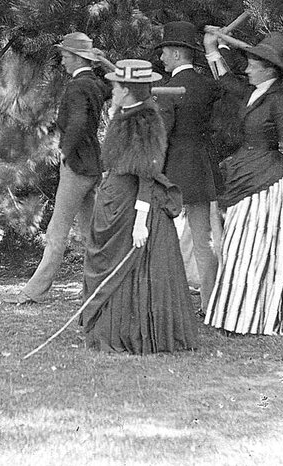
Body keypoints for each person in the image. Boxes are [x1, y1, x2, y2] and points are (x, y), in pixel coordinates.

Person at [201, 29, 283, 335]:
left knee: (254, 244)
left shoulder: (278, 100)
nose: (247, 67)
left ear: (268, 69)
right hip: (247, 173)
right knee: (240, 242)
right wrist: (211, 49)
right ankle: (238, 313)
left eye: (253, 63)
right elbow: (226, 82)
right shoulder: (255, 92)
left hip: (266, 182)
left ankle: (255, 316)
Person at [82, 59, 198, 353]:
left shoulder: (147, 120)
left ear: (127, 90)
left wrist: (140, 220)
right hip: (115, 198)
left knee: (132, 266)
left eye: (116, 86)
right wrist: (112, 113)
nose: (112, 89)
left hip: (133, 204)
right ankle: (109, 326)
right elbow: (115, 155)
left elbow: (147, 173)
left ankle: (133, 332)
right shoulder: (126, 113)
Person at [6, 33, 109, 304]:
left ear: (77, 58)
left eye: (65, 56)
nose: (63, 61)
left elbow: (76, 124)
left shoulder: (77, 87)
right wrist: (104, 63)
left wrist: (63, 151)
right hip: (92, 165)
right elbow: (121, 79)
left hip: (75, 166)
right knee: (90, 234)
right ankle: (99, 289)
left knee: (56, 233)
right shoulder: (96, 84)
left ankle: (33, 293)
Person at [155, 20, 221, 307]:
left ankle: (166, 302)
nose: (160, 58)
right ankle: (211, 303)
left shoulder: (168, 90)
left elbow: (163, 137)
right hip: (202, 167)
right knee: (203, 240)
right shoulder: (208, 86)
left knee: (161, 236)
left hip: (174, 169)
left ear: (177, 54)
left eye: (164, 53)